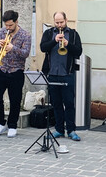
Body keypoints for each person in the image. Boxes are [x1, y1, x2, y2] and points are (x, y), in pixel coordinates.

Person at [41, 12, 82, 141]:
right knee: (56, 103)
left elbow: (78, 51)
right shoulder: (48, 34)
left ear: (66, 20)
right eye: (57, 22)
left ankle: (71, 130)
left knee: (69, 103)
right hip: (52, 73)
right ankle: (59, 129)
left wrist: (67, 43)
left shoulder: (74, 34)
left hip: (67, 73)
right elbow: (43, 48)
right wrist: (54, 41)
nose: (59, 25)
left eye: (61, 22)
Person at [0, 10, 31, 138]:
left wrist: (13, 47)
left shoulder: (25, 35)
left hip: (16, 71)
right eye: (6, 25)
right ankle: (0, 123)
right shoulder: (0, 32)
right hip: (2, 68)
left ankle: (12, 125)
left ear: (16, 22)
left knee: (15, 100)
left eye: (10, 25)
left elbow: (25, 53)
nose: (8, 28)